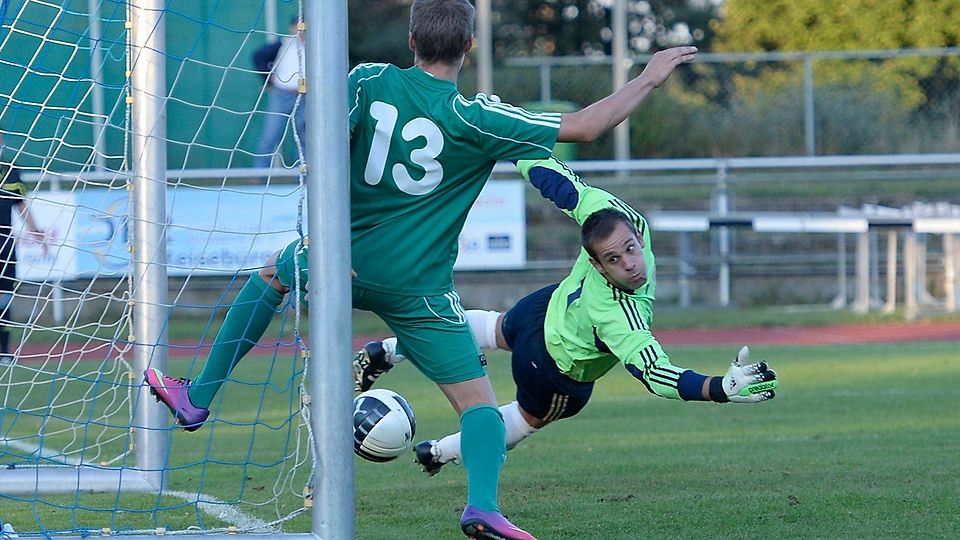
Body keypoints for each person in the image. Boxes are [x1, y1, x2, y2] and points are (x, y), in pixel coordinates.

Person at [145, 2, 697, 538]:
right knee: (479, 407)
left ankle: (199, 396)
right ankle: (482, 508)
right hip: (420, 291)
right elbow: (587, 125)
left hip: (343, 260)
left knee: (272, 274)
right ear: (469, 45)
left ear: (411, 40)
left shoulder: (369, 80)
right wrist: (648, 77)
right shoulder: (479, 118)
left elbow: (323, 151)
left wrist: (325, 244)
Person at [353, 156, 779, 476]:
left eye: (631, 249)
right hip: (554, 370)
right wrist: (718, 388)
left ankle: (387, 350)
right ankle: (439, 452)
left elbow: (560, 182)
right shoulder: (619, 317)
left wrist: (514, 145)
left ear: (636, 232)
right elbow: (657, 375)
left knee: (496, 328)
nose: (630, 264)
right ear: (597, 265)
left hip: (542, 308)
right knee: (527, 418)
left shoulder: (610, 215)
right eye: (614, 260)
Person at [0, 134, 45, 364]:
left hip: (4, 243)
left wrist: (36, 232)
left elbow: (21, 205)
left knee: (5, 298)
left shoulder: (10, 170)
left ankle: (4, 351)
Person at [252, 15, 305, 171]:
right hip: (282, 94)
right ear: (293, 28)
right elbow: (258, 56)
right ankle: (260, 174)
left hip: (305, 96)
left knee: (304, 137)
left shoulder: (315, 47)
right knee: (270, 135)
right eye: (297, 26)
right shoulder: (284, 44)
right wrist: (269, 78)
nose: (301, 31)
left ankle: (304, 175)